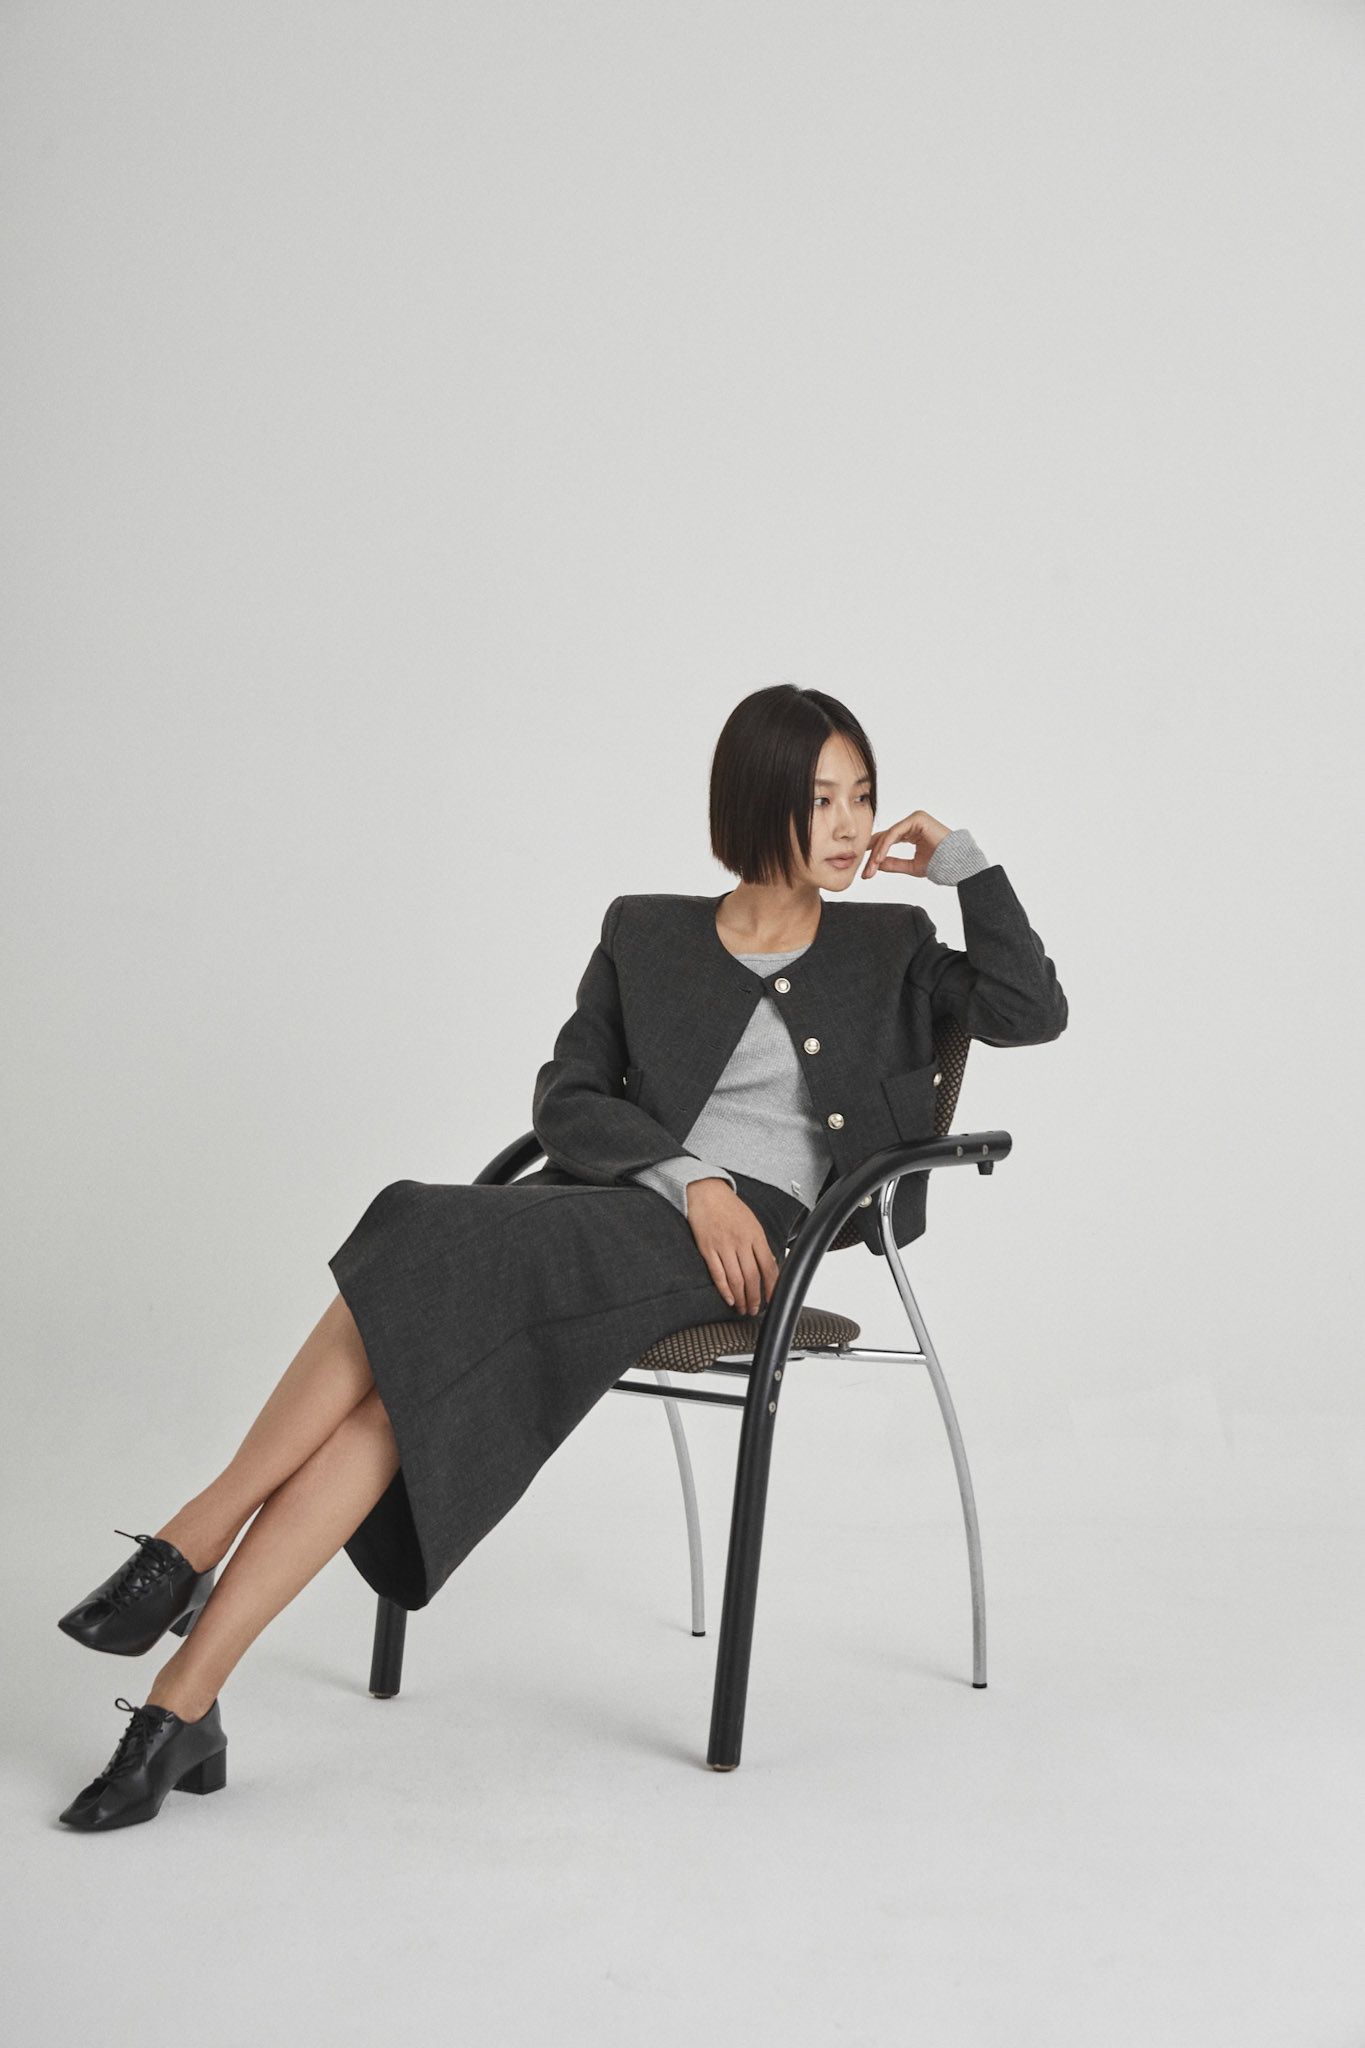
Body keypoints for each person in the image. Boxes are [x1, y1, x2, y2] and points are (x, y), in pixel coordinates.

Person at [53, 683, 1067, 1829]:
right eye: (821, 797)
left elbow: (1031, 1009)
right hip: (619, 1214)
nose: (849, 823)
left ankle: (186, 1547)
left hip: (757, 1249)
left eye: (862, 796)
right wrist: (692, 1179)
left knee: (412, 1245)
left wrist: (963, 862)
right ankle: (183, 1702)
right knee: (400, 1359)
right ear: (755, 803)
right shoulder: (646, 931)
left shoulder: (893, 944)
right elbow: (568, 1096)